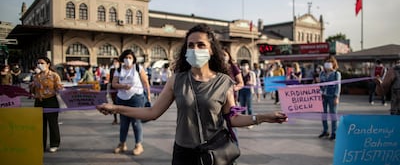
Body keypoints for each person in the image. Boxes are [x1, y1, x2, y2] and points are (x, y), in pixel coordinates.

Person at [96, 23, 288, 164]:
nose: (195, 49)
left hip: (215, 151)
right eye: (191, 45)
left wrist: (264, 117)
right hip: (183, 154)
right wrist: (116, 108)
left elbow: (233, 119)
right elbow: (152, 113)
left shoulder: (224, 82)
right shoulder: (176, 80)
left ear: (212, 50)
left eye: (201, 45)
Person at [111, 49, 151, 156]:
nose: (128, 60)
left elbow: (145, 82)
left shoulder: (138, 68)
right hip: (122, 99)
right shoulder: (119, 70)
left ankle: (138, 145)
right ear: (122, 59)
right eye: (126, 57)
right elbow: (114, 84)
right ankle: (122, 144)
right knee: (123, 123)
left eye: (130, 58)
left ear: (133, 59)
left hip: (136, 98)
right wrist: (123, 86)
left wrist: (148, 96)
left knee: (136, 122)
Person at [31, 56, 63, 153]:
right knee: (40, 124)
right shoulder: (36, 76)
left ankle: (54, 144)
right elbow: (33, 91)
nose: (39, 65)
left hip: (51, 101)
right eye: (38, 63)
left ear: (48, 64)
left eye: (42, 63)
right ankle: (41, 144)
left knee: (53, 124)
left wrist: (61, 89)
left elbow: (59, 88)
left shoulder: (54, 75)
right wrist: (32, 87)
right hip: (39, 101)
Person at [318, 55, 341, 141]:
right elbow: (320, 84)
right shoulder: (322, 73)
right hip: (323, 96)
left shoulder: (336, 74)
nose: (327, 64)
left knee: (333, 114)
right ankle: (325, 130)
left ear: (333, 63)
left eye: (329, 62)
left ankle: (334, 133)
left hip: (332, 96)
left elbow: (338, 86)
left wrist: (336, 97)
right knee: (323, 114)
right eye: (326, 62)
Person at [108, 58, 120, 125]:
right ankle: (115, 119)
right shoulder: (112, 70)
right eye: (114, 62)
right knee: (114, 104)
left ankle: (122, 119)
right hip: (113, 90)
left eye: (116, 62)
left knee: (121, 104)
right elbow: (110, 80)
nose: (115, 63)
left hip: (120, 90)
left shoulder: (121, 70)